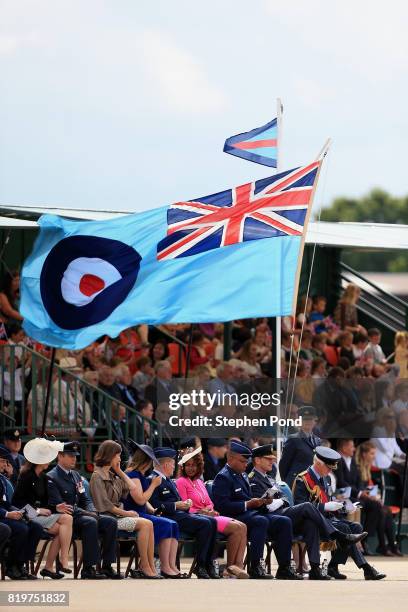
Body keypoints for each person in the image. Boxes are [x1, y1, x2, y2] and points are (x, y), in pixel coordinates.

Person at [247, 444, 358, 579]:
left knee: (310, 523)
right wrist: (279, 501)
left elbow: (284, 499)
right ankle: (337, 534)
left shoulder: (269, 478)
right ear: (257, 460)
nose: (272, 461)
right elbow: (265, 506)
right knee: (306, 506)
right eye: (268, 459)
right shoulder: (252, 479)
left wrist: (279, 501)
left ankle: (315, 569)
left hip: (281, 514)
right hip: (270, 517)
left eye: (272, 458)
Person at [293, 446, 385, 580]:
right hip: (311, 523)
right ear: (318, 463)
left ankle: (333, 566)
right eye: (328, 467)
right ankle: (366, 568)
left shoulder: (326, 479)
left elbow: (329, 503)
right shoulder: (303, 479)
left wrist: (344, 508)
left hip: (328, 520)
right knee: (345, 529)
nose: (331, 471)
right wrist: (325, 506)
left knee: (356, 527)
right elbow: (300, 507)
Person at [212, 441, 300, 580]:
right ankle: (256, 566)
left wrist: (262, 501)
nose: (245, 464)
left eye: (246, 461)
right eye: (242, 461)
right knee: (261, 521)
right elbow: (222, 506)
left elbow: (248, 498)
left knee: (284, 521)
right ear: (230, 459)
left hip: (250, 513)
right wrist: (248, 504)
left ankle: (284, 567)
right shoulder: (223, 477)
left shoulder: (243, 475)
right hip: (233, 517)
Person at [90, 439, 161, 579]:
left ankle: (149, 565)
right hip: (106, 517)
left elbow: (131, 487)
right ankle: (145, 566)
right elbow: (104, 505)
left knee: (149, 524)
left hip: (116, 516)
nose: (120, 458)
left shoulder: (112, 475)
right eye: (117, 455)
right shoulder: (96, 476)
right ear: (109, 455)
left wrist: (119, 471)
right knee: (145, 524)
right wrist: (126, 513)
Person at [47, 441, 118, 579]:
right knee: (90, 522)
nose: (74, 458)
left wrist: (92, 509)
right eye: (70, 455)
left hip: (82, 515)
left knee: (110, 522)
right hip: (66, 518)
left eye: (75, 455)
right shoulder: (52, 476)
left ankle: (107, 566)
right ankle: (88, 568)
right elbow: (60, 505)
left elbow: (85, 499)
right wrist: (88, 513)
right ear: (60, 456)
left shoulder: (76, 475)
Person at [176, 447, 248, 579]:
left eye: (194, 465)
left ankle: (238, 566)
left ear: (199, 466)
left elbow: (209, 502)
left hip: (208, 515)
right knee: (236, 528)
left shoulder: (199, 482)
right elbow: (184, 505)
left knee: (243, 526)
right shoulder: (181, 482)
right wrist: (200, 511)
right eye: (188, 465)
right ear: (183, 466)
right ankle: (229, 568)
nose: (191, 468)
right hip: (195, 517)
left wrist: (209, 510)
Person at [149, 447, 218, 579]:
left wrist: (185, 505)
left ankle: (208, 563)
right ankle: (201, 565)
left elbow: (179, 501)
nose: (175, 467)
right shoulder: (154, 479)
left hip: (178, 514)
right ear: (166, 464)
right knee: (204, 523)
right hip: (167, 516)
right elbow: (154, 504)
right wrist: (177, 505)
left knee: (212, 522)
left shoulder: (167, 480)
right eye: (174, 464)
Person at [12, 437, 73, 579]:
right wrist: (37, 511)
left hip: (40, 516)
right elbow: (16, 502)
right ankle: (63, 560)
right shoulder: (26, 476)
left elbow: (45, 504)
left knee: (61, 529)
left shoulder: (44, 478)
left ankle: (49, 567)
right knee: (67, 519)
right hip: (26, 515)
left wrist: (55, 507)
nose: (49, 460)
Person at [123, 440, 184, 578]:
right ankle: (156, 566)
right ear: (145, 461)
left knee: (172, 524)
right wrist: (153, 485)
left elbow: (145, 502)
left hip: (143, 512)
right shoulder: (132, 474)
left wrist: (153, 510)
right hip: (134, 513)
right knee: (165, 523)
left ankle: (169, 565)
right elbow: (140, 499)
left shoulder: (140, 475)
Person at [0, 443, 43, 580]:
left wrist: (24, 514)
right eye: (2, 461)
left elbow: (8, 503)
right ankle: (11, 566)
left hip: (12, 513)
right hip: (3, 516)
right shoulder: (25, 476)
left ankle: (21, 564)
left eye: (5, 461)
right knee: (21, 529)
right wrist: (9, 514)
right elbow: (15, 501)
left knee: (35, 526)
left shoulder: (2, 479)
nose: (5, 464)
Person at [355, 441, 402, 556]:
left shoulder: (367, 468)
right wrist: (371, 496)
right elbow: (359, 489)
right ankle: (378, 544)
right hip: (358, 498)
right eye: (372, 453)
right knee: (381, 510)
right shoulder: (356, 467)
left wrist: (376, 496)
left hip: (367, 499)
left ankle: (389, 545)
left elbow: (370, 488)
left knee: (386, 510)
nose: (374, 456)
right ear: (364, 454)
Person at [279, 406, 321, 488]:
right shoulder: (293, 439)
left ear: (314, 421)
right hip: (296, 484)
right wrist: (288, 483)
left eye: (310, 419)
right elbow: (283, 465)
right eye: (305, 419)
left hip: (312, 484)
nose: (308, 422)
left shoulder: (317, 440)